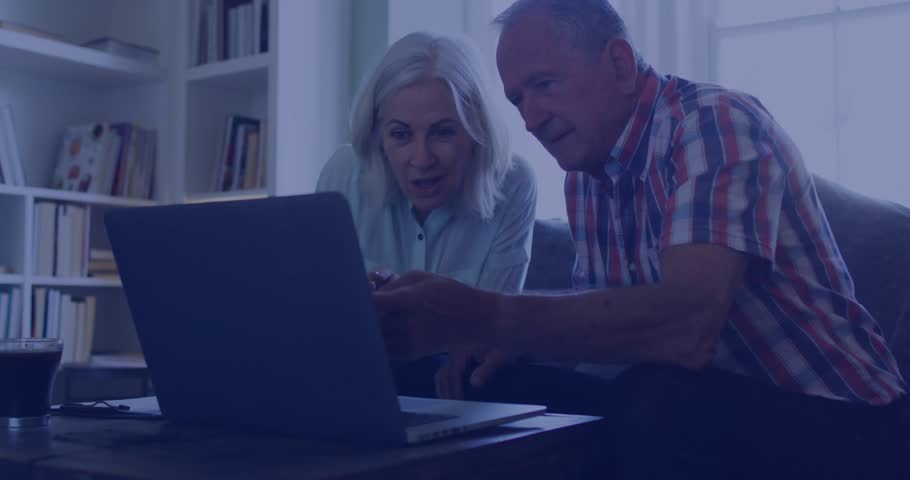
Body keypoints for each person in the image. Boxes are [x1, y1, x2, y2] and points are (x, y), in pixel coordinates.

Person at [373, 1, 909, 478]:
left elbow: (687, 328)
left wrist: (486, 314)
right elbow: (609, 325)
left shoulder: (714, 124)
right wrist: (513, 341)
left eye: (544, 84)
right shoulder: (586, 176)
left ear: (620, 64)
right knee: (475, 386)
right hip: (703, 409)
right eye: (517, 99)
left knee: (655, 398)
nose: (530, 119)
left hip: (853, 427)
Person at [316, 31, 537, 400]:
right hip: (355, 382)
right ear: (379, 137)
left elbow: (491, 332)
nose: (422, 159)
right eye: (401, 135)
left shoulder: (513, 184)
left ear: (476, 131)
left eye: (443, 132)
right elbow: (318, 318)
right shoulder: (344, 174)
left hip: (462, 391)